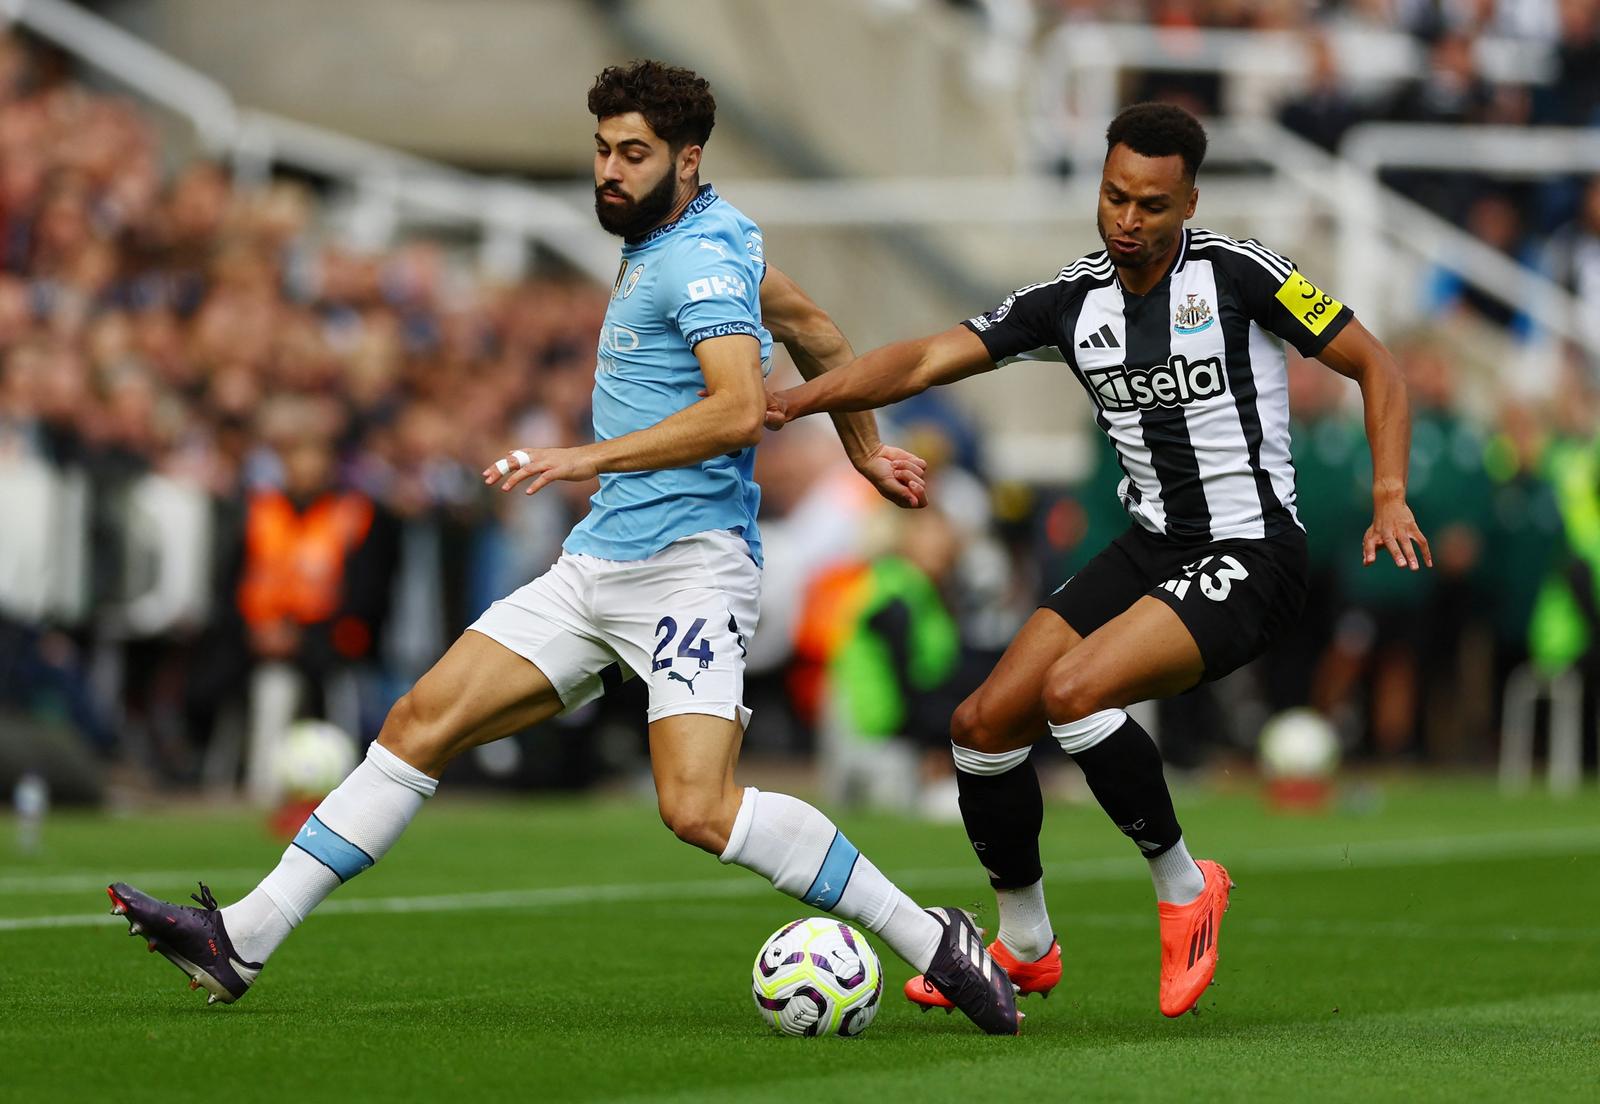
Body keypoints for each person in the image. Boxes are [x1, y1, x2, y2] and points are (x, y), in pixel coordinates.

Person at [108, 60, 1021, 1035]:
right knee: (421, 721)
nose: (609, 172)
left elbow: (735, 411)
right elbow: (817, 333)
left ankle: (932, 941)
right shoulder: (688, 239)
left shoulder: (700, 258)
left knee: (698, 809)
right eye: (601, 151)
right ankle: (241, 937)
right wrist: (869, 453)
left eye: (632, 154)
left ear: (688, 158)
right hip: (600, 564)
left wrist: (585, 454)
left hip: (690, 573)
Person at [764, 102, 1431, 1018]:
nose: (1127, 220)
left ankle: (1186, 886)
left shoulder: (1242, 275)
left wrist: (1388, 492)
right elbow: (924, 358)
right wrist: (801, 401)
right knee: (981, 725)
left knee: (1075, 691)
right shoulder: (1072, 302)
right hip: (1149, 546)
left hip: (1251, 549)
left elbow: (1378, 366)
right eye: (1114, 198)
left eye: (1151, 205)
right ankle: (1027, 943)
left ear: (1188, 201)